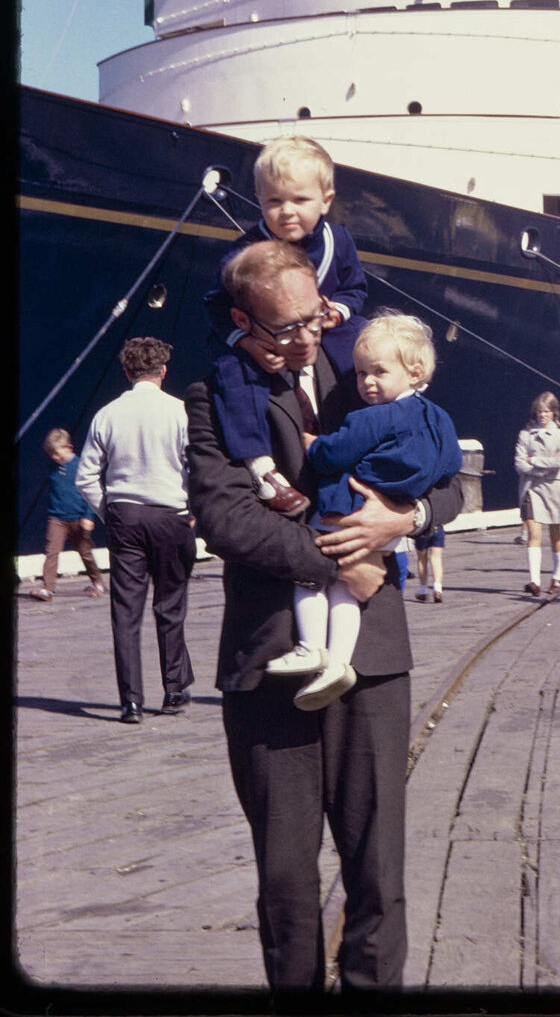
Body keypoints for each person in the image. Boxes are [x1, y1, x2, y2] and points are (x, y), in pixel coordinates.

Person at [184, 239, 462, 990]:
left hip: (372, 660)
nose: (309, 337)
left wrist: (403, 524)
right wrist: (347, 558)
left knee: (376, 865)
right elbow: (225, 517)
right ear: (244, 321)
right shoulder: (215, 394)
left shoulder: (364, 369)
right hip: (270, 657)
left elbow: (451, 480)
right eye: (287, 328)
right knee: (284, 878)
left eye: (315, 318)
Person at [263, 312, 462, 708]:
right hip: (393, 527)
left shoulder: (374, 416)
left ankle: (311, 646)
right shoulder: (440, 419)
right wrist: (409, 503)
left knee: (313, 581)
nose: (366, 382)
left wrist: (312, 445)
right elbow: (452, 466)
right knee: (347, 593)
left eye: (378, 372)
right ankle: (338, 662)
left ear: (415, 371)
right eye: (360, 373)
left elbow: (335, 451)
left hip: (345, 508)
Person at [204, 135, 368, 514]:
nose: (287, 212)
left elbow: (355, 288)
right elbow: (215, 303)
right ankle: (261, 466)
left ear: (326, 200)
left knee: (366, 343)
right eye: (274, 201)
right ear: (259, 199)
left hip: (327, 329)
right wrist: (245, 341)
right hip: (265, 337)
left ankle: (368, 432)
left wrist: (337, 312)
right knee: (234, 371)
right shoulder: (243, 251)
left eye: (300, 200)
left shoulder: (338, 241)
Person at [75, 337, 197, 723]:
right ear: (163, 371)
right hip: (170, 514)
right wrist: (192, 509)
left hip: (125, 515)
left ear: (126, 372)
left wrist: (110, 511)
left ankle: (130, 702)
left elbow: (86, 477)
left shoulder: (107, 414)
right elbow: (196, 467)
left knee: (126, 612)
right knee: (170, 606)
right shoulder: (181, 412)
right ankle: (174, 689)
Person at [30, 427, 106, 601]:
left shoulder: (80, 466)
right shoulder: (53, 467)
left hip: (79, 518)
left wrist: (88, 516)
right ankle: (48, 589)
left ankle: (98, 582)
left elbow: (89, 493)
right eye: (51, 455)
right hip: (57, 518)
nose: (54, 458)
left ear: (68, 448)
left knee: (85, 552)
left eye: (57, 454)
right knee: (51, 551)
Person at [515, 392, 560, 597]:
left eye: (547, 411)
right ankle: (534, 581)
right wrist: (541, 466)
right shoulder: (526, 434)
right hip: (532, 488)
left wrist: (534, 461)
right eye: (539, 411)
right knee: (534, 532)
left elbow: (559, 463)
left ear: (554, 412)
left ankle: (557, 575)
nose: (543, 415)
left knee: (556, 533)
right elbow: (519, 464)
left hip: (555, 489)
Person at [415, 526, 445, 602]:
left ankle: (423, 591)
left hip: (422, 530)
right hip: (437, 528)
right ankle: (438, 590)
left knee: (422, 560)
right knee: (437, 559)